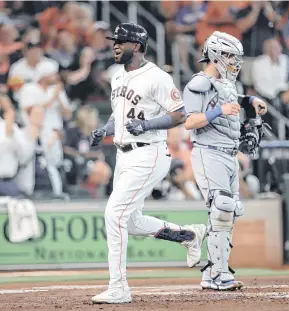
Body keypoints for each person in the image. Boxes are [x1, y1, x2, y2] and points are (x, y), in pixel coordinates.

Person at [88, 23, 206, 304]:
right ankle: (188, 235)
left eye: (122, 41)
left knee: (114, 214)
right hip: (123, 155)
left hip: (148, 153)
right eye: (114, 41)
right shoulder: (117, 76)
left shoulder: (157, 77)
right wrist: (104, 130)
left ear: (138, 47)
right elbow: (118, 115)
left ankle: (119, 287)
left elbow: (179, 115)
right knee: (131, 221)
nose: (115, 45)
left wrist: (148, 124)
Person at [183, 31, 267, 291]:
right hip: (209, 152)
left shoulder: (226, 84)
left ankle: (212, 272)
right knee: (222, 208)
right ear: (217, 54)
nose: (234, 62)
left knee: (230, 212)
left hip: (228, 153)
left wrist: (251, 100)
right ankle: (219, 274)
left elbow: (232, 99)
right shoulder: (199, 83)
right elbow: (189, 121)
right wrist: (220, 111)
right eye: (230, 56)